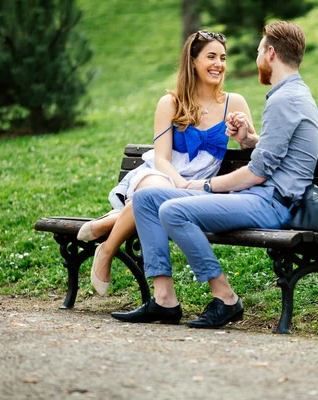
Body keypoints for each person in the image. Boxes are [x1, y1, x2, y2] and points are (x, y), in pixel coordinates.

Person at [111, 21, 318, 328]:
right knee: (145, 198)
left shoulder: (285, 99)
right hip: (260, 196)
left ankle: (226, 299)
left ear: (271, 54)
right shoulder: (289, 95)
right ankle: (164, 301)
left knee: (173, 210)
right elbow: (277, 153)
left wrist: (206, 185)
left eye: (259, 51)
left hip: (273, 202)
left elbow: (257, 174)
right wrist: (249, 140)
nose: (257, 57)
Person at [76, 30, 254, 296]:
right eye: (211, 57)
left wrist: (246, 132)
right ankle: (107, 251)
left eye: (223, 58)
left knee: (152, 202)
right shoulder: (170, 102)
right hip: (162, 173)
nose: (219, 64)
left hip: (199, 185)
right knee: (151, 194)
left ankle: (110, 222)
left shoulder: (234, 102)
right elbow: (161, 158)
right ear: (193, 61)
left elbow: (249, 145)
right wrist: (181, 185)